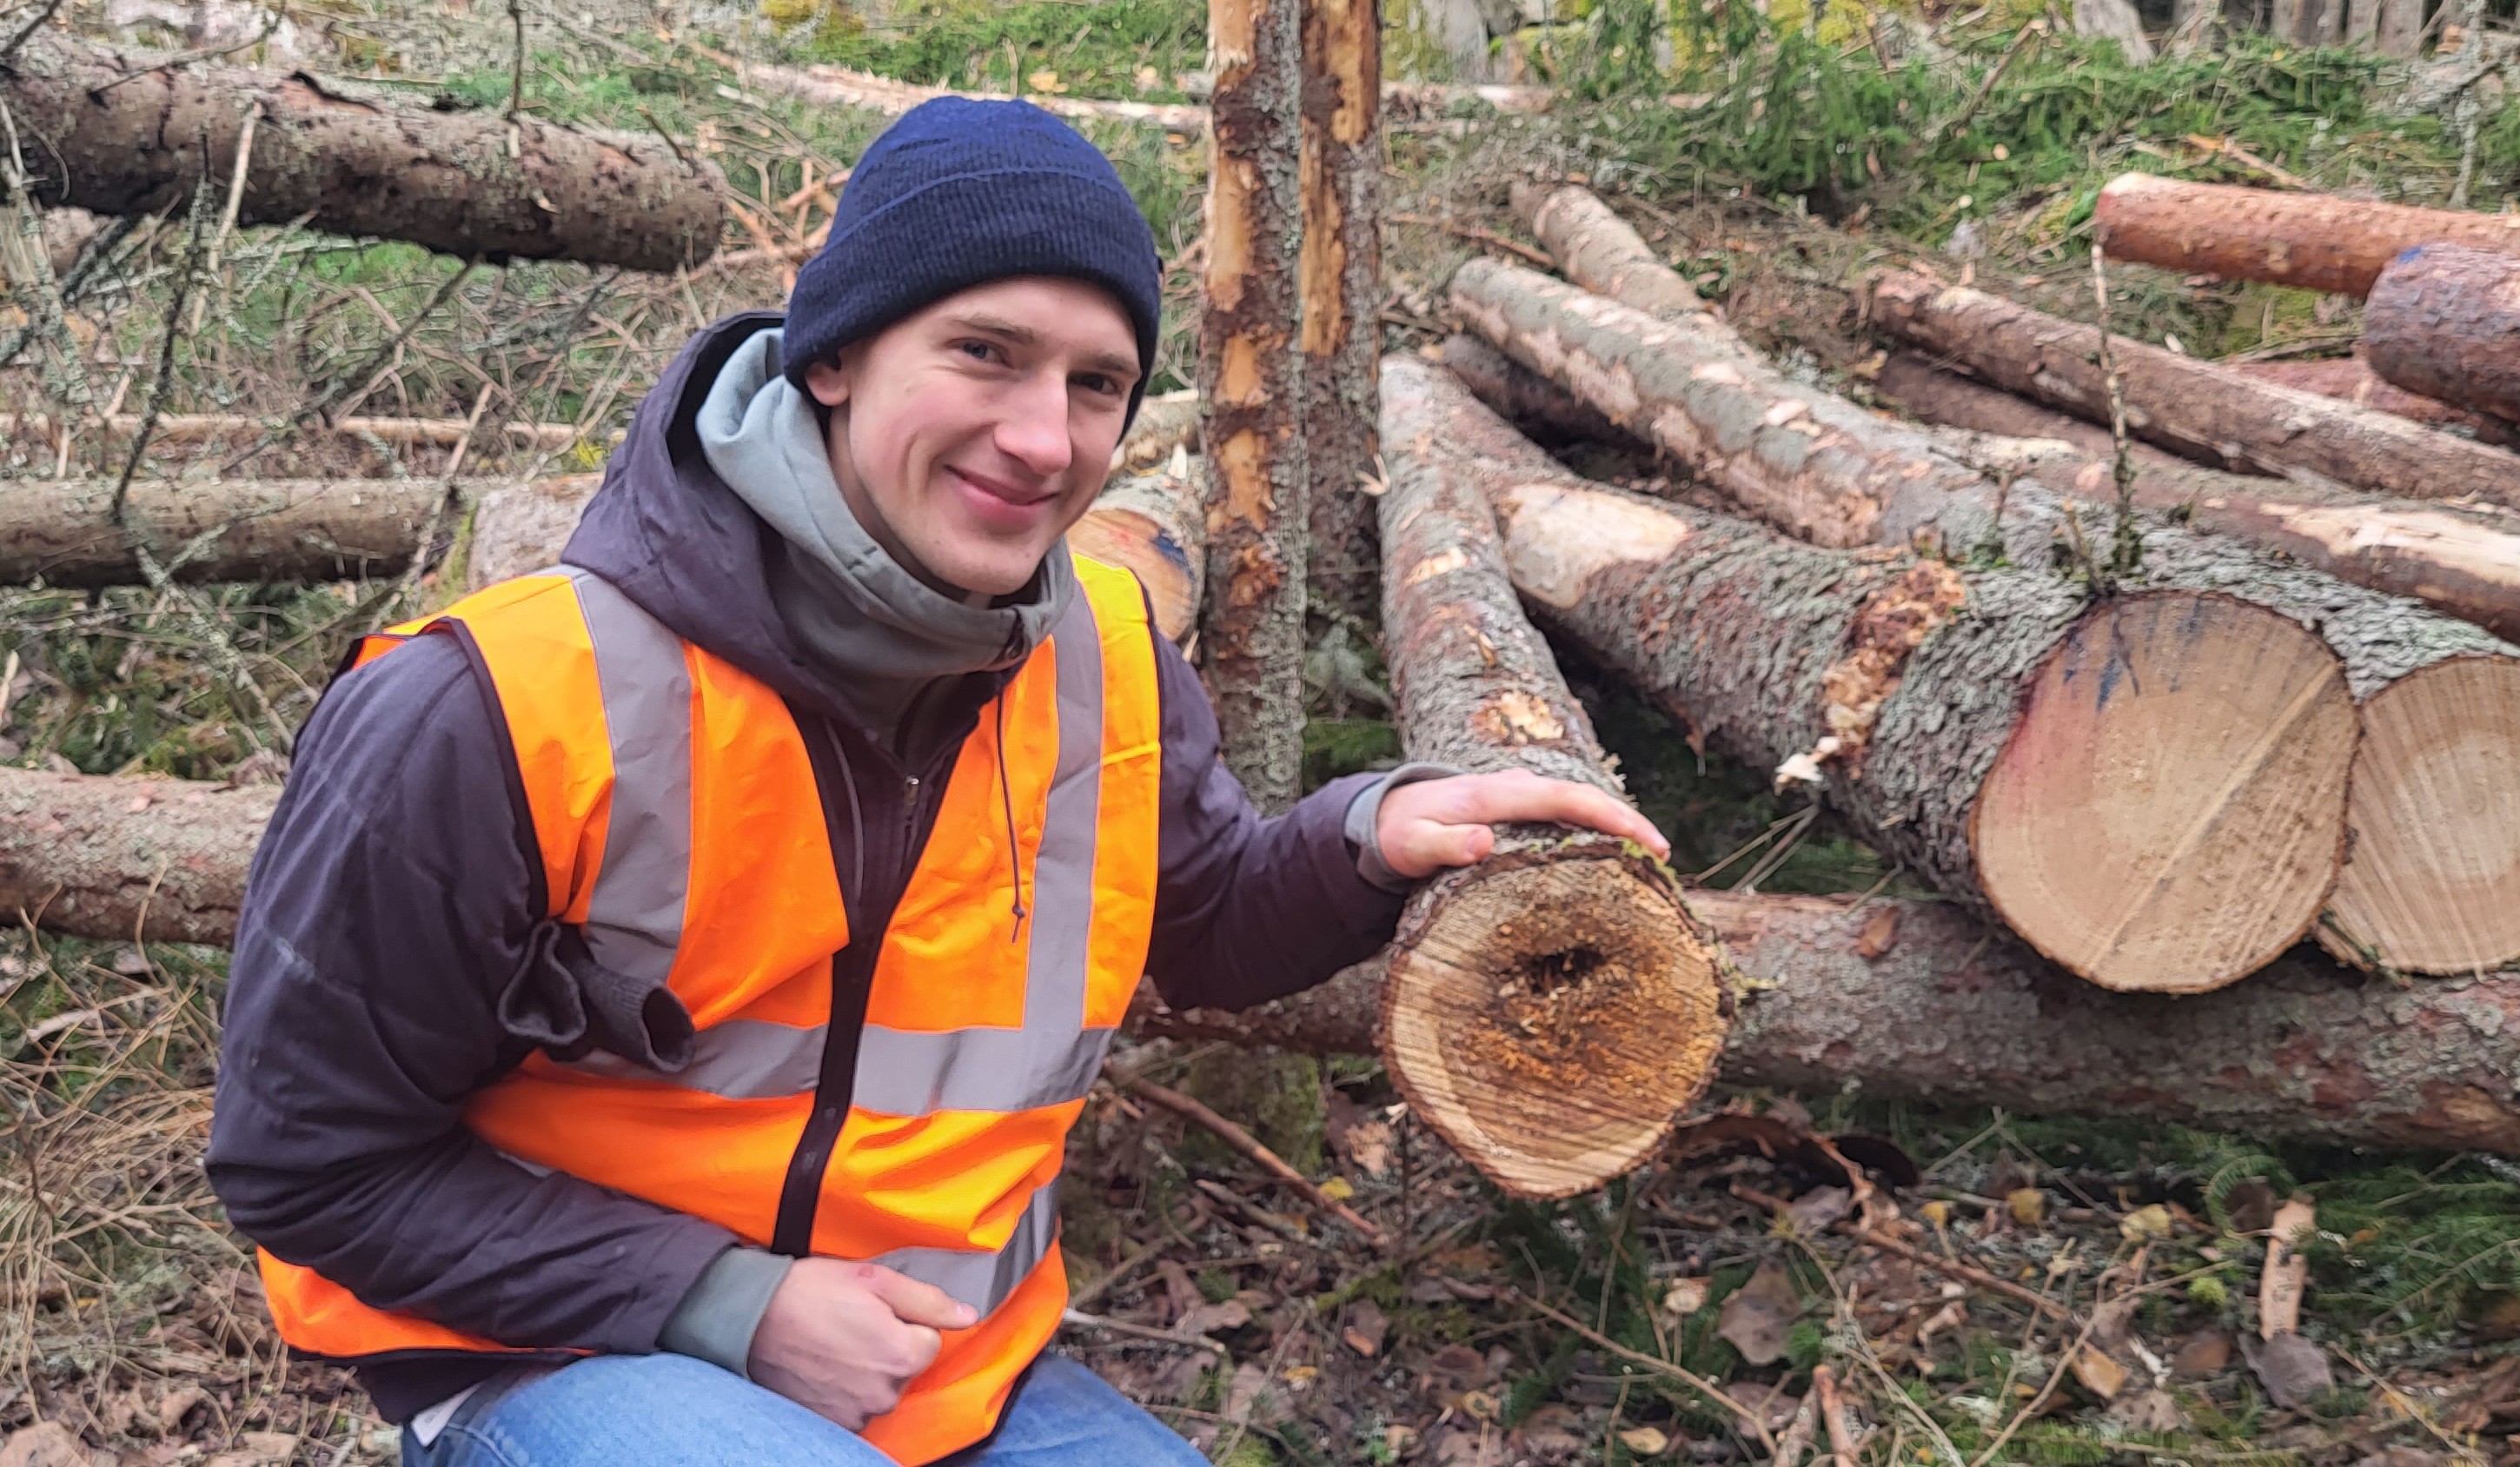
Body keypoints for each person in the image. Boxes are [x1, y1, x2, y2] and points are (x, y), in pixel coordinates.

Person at [204, 97, 1665, 1467]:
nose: (1046, 441)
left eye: (1098, 385)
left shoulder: (1100, 656)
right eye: (986, 353)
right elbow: (309, 1166)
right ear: (830, 358)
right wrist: (728, 1302)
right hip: (560, 1350)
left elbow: (1201, 922)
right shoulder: (490, 707)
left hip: (952, 1369)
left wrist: (1371, 838)